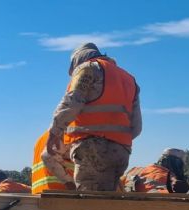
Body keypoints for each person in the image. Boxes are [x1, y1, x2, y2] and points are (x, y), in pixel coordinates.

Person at [45, 42, 142, 191]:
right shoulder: (129, 79)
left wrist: (54, 131)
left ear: (77, 60)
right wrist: (116, 141)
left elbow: (71, 103)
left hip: (92, 149)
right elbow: (136, 127)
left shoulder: (88, 69)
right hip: (121, 151)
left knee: (90, 203)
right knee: (107, 200)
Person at [123, 148, 189, 193]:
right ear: (177, 164)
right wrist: (177, 191)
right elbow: (157, 194)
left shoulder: (135, 170)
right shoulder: (168, 178)